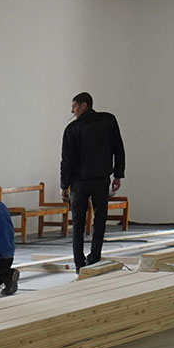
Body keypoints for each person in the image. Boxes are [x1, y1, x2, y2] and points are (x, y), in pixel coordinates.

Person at [59, 91, 125, 271]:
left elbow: (67, 160)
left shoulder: (73, 129)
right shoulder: (108, 121)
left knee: (78, 223)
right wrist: (118, 175)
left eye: (74, 106)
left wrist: (64, 185)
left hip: (79, 182)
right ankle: (94, 258)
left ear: (84, 105)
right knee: (100, 219)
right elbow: (118, 149)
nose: (72, 111)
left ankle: (79, 264)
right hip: (101, 179)